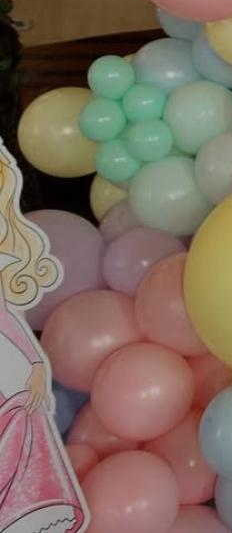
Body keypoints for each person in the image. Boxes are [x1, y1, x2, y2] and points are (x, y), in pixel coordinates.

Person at [0, 139, 87, 533]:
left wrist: (34, 365)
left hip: (12, 366)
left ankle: (31, 509)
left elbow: (7, 321)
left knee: (24, 420)